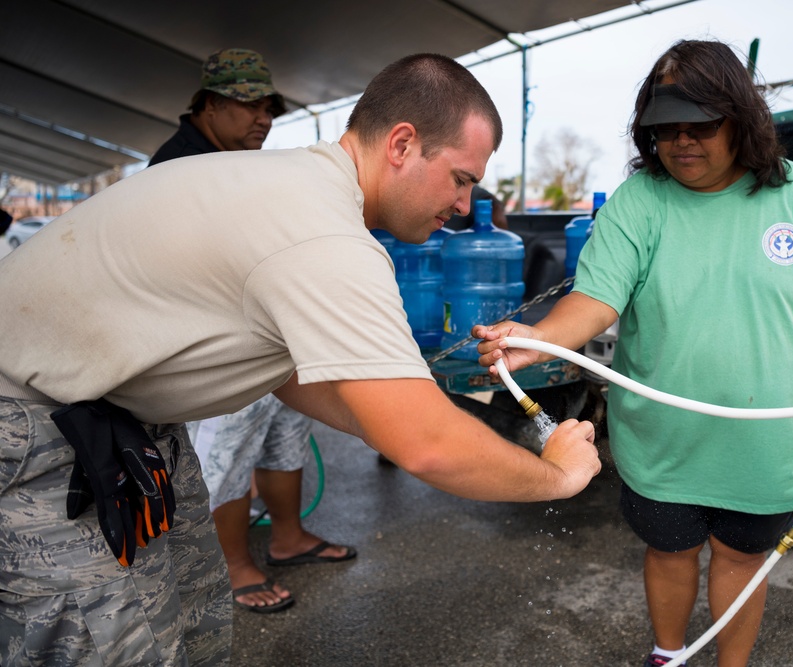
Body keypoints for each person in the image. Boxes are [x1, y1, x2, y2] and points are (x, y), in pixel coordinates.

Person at [0, 53, 600, 665]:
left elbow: (293, 376)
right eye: (461, 177)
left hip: (115, 413)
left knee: (189, 619)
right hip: (34, 423)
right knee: (100, 646)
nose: (465, 200)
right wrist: (555, 474)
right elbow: (427, 445)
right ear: (401, 143)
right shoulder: (323, 233)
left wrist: (394, 409)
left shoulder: (300, 188)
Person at [475, 40, 793, 667]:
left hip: (765, 444)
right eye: (665, 129)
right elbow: (597, 298)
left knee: (741, 559)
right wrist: (539, 338)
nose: (682, 142)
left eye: (701, 126)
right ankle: (668, 654)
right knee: (671, 552)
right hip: (662, 442)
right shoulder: (640, 202)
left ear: (741, 117)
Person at [149, 47, 355, 615]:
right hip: (213, 346)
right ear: (210, 105)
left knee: (283, 435)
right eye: (248, 106)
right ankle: (232, 564)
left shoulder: (234, 161)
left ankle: (288, 535)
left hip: (265, 336)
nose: (262, 118)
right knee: (226, 454)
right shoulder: (177, 168)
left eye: (268, 107)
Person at [148, 47, 287, 165]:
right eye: (252, 105)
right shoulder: (185, 167)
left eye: (270, 111)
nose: (264, 121)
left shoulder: (215, 161)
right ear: (212, 104)